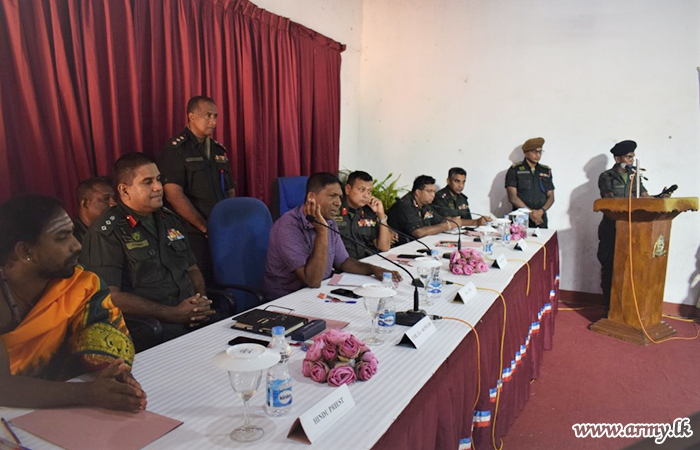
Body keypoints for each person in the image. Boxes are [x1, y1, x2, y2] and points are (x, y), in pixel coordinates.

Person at [0, 195, 146, 411]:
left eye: (73, 234)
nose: (77, 245)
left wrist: (117, 374)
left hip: (53, 410)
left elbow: (102, 338)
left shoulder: (81, 287)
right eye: (62, 238)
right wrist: (88, 393)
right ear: (26, 252)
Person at [80, 153, 215, 350]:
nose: (158, 187)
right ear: (124, 190)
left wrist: (200, 304)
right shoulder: (106, 232)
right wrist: (173, 314)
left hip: (193, 318)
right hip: (154, 328)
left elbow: (192, 268)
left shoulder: (169, 218)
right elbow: (110, 296)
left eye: (159, 179)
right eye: (148, 182)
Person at [263, 173, 401, 300]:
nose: (338, 203)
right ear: (311, 197)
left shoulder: (329, 221)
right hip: (286, 299)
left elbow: (343, 261)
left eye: (340, 197)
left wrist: (374, 270)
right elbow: (312, 280)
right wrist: (322, 232)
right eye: (332, 196)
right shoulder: (287, 226)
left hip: (319, 292)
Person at [158, 96, 236, 284]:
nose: (213, 121)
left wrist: (229, 221)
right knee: (202, 280)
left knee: (226, 276)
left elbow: (230, 189)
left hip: (220, 227)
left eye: (215, 116)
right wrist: (204, 226)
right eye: (208, 116)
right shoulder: (176, 149)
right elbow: (174, 195)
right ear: (192, 117)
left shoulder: (218, 150)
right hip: (191, 231)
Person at [597, 140, 648, 305]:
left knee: (630, 268)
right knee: (610, 267)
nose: (631, 160)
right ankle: (608, 307)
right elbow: (610, 201)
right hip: (611, 228)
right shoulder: (607, 177)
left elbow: (644, 197)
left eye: (633, 157)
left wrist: (659, 198)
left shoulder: (635, 177)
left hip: (632, 230)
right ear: (617, 159)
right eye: (628, 157)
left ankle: (625, 306)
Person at [387, 175, 462, 245]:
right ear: (418, 192)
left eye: (434, 191)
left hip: (417, 244)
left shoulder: (425, 205)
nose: (433, 195)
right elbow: (418, 232)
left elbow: (437, 220)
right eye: (430, 191)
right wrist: (447, 226)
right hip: (400, 247)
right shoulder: (405, 206)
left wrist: (452, 221)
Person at [335, 171, 394, 259]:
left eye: (369, 191)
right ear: (348, 189)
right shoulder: (334, 210)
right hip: (340, 264)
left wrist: (381, 215)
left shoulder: (368, 213)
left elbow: (384, 247)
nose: (366, 195)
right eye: (361, 189)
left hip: (363, 263)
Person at [505, 137, 555, 228]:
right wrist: (530, 213)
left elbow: (551, 196)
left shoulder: (545, 170)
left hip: (540, 218)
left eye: (540, 152)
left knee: (543, 237)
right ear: (525, 152)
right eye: (534, 151)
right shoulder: (515, 170)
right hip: (520, 218)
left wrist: (541, 212)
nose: (538, 155)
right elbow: (512, 197)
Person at [73, 176, 116, 243]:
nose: (114, 204)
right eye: (106, 199)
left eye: (115, 198)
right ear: (85, 204)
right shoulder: (71, 238)